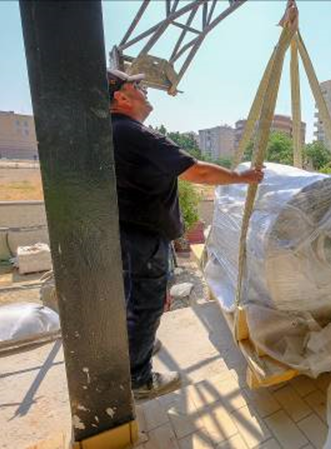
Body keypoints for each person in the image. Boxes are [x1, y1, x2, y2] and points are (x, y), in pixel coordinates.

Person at [107, 69, 264, 399]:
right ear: (121, 98)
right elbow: (199, 172)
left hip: (127, 233)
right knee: (146, 303)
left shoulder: (111, 132)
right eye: (136, 86)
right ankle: (138, 377)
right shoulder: (136, 134)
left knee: (134, 299)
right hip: (142, 236)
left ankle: (139, 346)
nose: (144, 90)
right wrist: (243, 177)